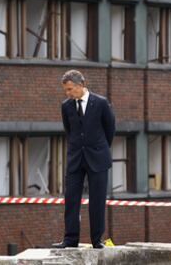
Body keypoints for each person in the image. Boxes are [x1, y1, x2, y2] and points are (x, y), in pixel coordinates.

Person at [52, 69, 115, 249]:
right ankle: (70, 239)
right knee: (71, 199)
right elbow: (69, 131)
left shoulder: (101, 103)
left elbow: (109, 129)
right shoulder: (66, 106)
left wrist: (98, 148)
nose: (68, 93)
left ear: (81, 85)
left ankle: (97, 240)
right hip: (75, 159)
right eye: (66, 90)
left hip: (98, 158)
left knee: (97, 200)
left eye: (70, 89)